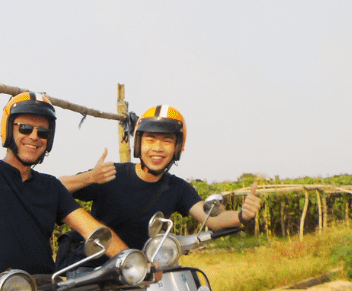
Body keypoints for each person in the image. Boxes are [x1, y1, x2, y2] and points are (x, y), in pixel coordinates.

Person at [0, 0, 128, 276]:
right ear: (8, 130)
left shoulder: (51, 188)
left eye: (43, 132)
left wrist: (131, 259)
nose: (34, 137)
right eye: (25, 128)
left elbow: (93, 229)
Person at [58, 105, 263, 265]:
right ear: (139, 143)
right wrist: (89, 178)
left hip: (139, 272)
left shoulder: (178, 188)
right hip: (92, 270)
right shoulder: (111, 174)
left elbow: (211, 219)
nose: (157, 148)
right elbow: (53, 188)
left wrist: (241, 215)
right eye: (150, 139)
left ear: (177, 147)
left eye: (166, 141)